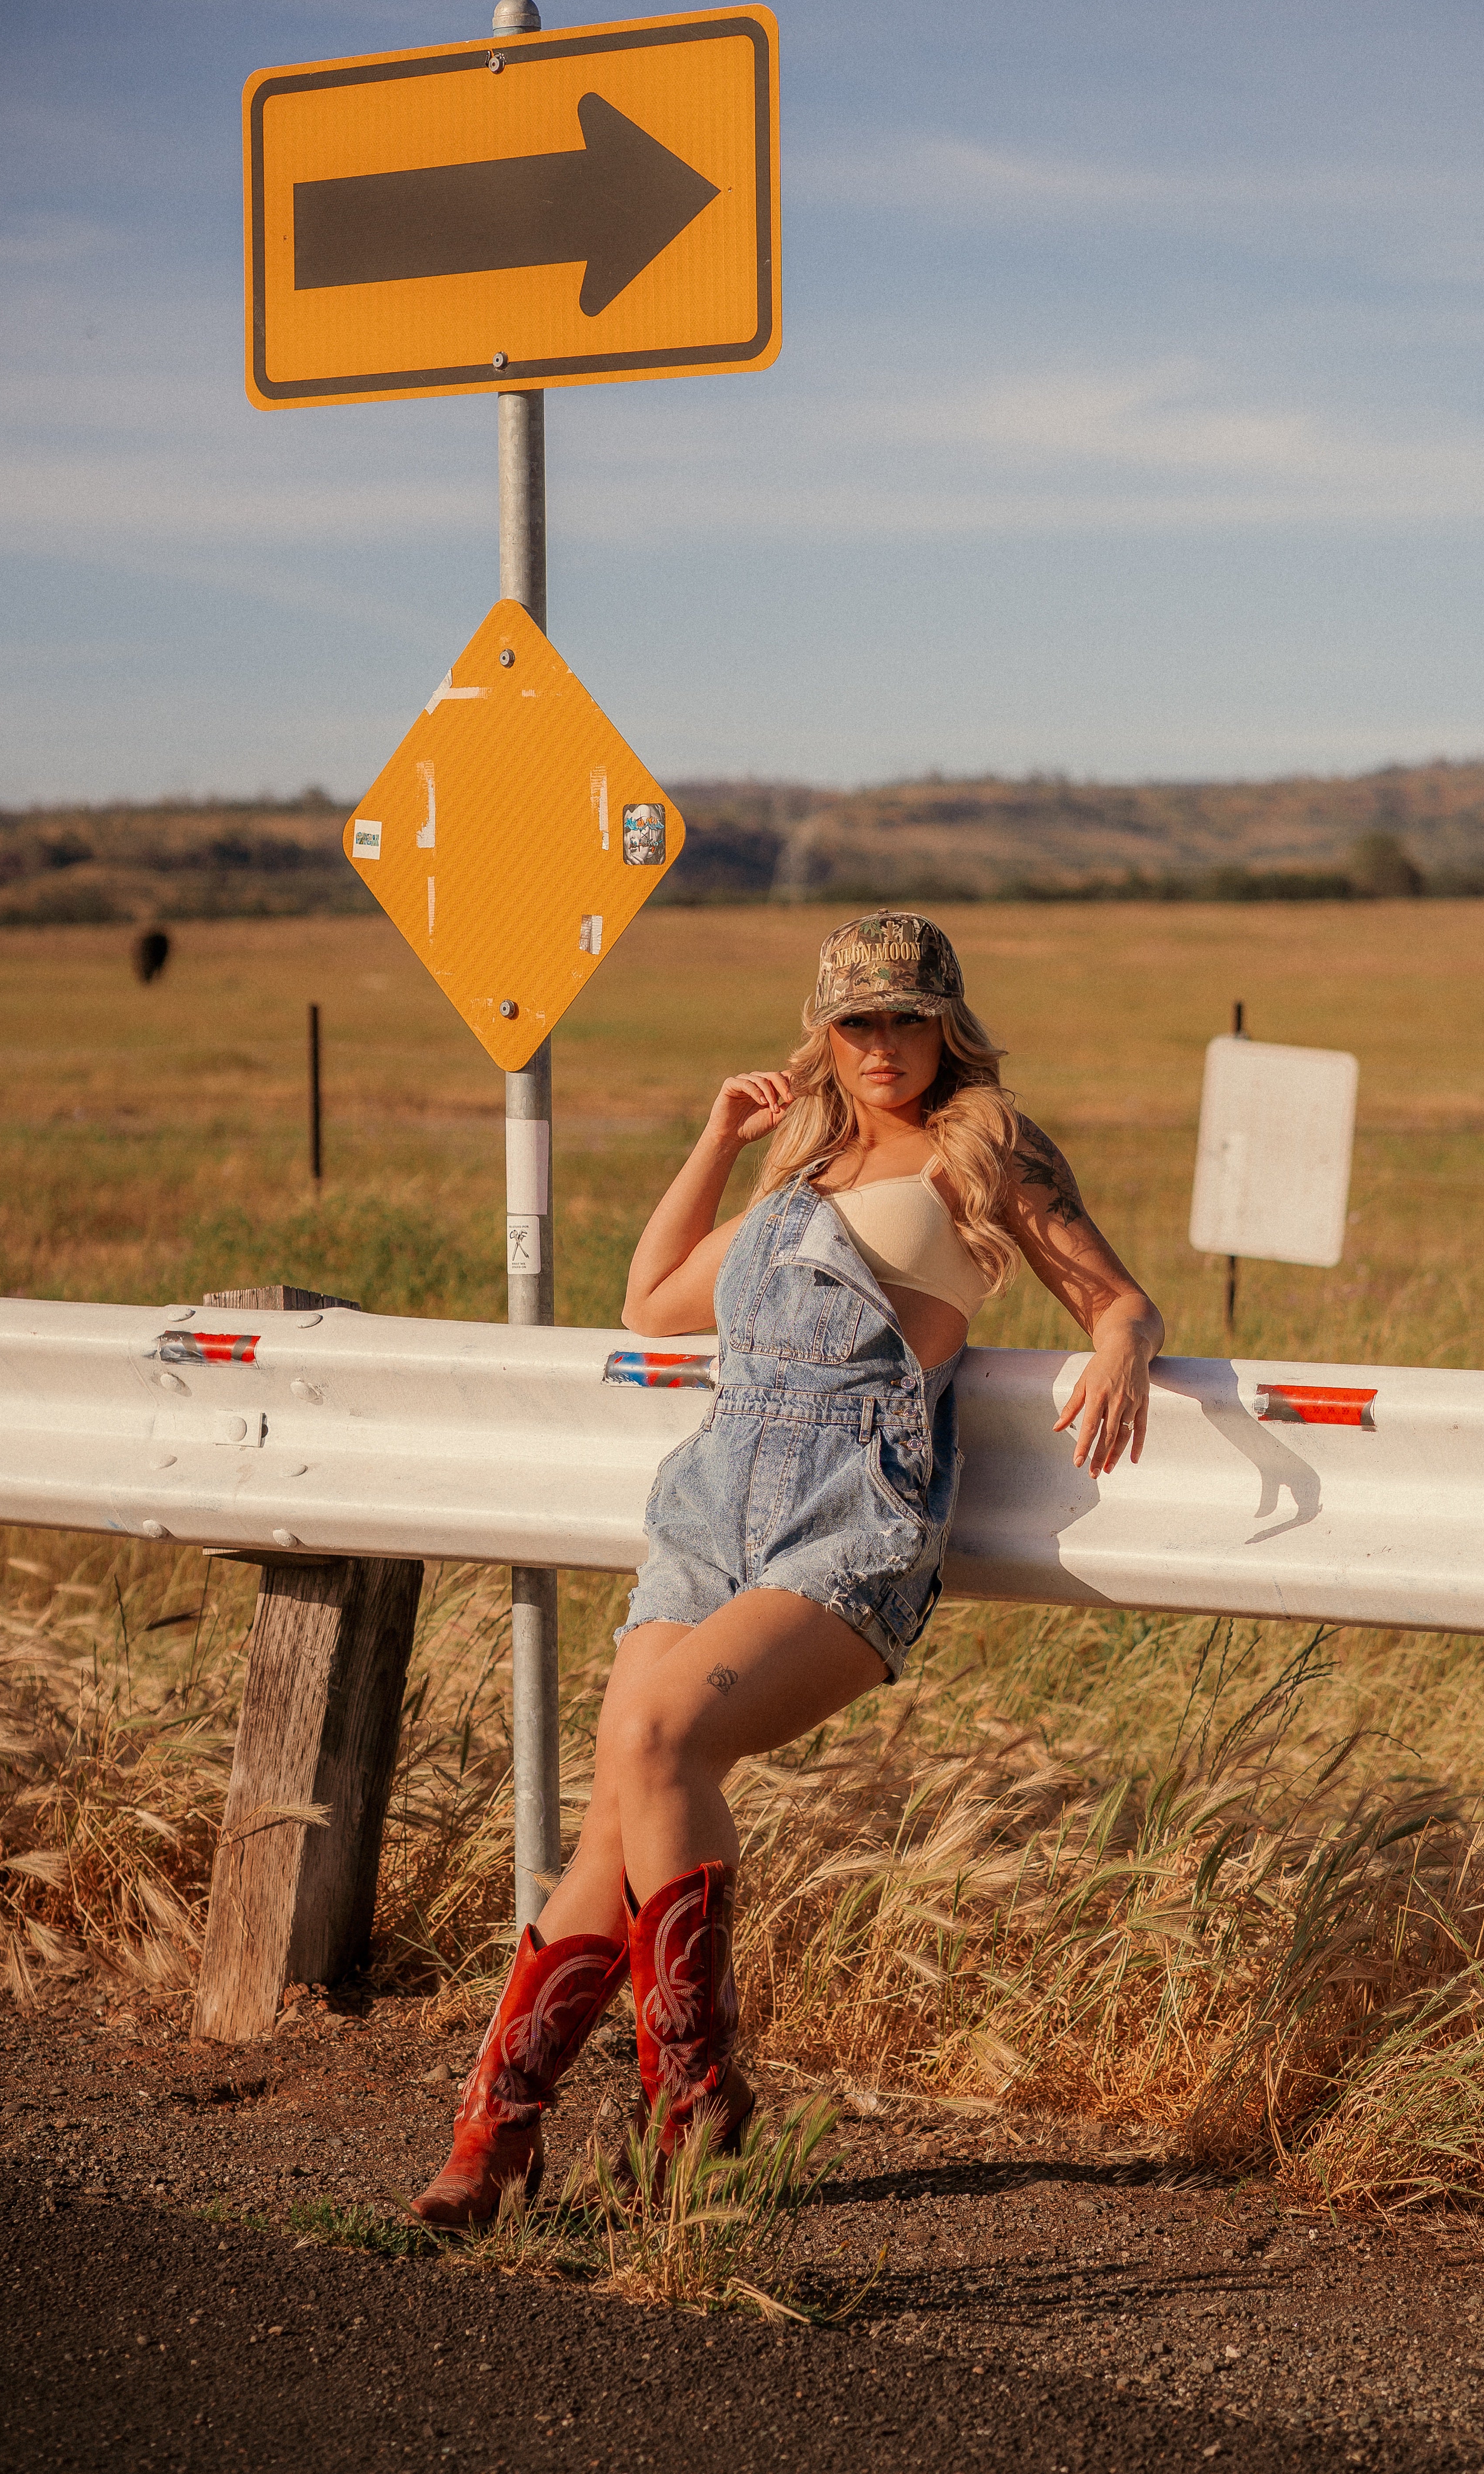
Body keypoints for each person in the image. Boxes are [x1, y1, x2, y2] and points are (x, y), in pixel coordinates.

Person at [413, 910, 1164, 2226]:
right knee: (619, 1807)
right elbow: (652, 1301)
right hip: (712, 1507)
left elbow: (1114, 1296)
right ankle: (500, 2130)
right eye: (858, 1020)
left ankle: (698, 2110)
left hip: (850, 1510)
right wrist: (720, 1138)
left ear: (948, 1025)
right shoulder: (803, 1166)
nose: (885, 1044)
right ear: (824, 1031)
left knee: (655, 1735)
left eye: (910, 1018)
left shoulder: (984, 1145)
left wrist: (1120, 1347)